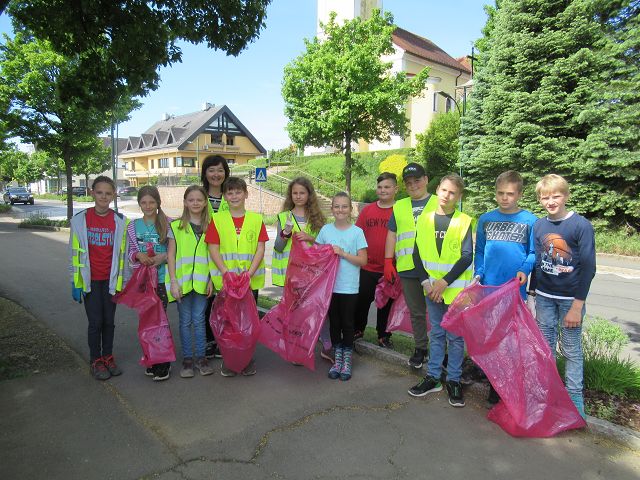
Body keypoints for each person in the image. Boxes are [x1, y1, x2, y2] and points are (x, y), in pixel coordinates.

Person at [533, 174, 595, 418]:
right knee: (546, 349)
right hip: (544, 298)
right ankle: (548, 394)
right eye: (545, 197)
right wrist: (532, 295)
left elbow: (589, 268)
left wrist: (577, 306)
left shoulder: (581, 226)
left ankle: (574, 399)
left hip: (570, 300)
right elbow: (538, 264)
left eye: (556, 196)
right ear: (539, 199)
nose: (551, 201)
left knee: (571, 350)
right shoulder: (539, 226)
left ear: (566, 196)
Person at [410, 174, 473, 408]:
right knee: (436, 334)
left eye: (452, 193)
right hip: (431, 290)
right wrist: (426, 283)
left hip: (453, 290)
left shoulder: (463, 221)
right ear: (437, 190)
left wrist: (444, 282)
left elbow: (467, 256)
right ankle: (434, 377)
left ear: (459, 196)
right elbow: (417, 255)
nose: (447, 196)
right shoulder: (424, 219)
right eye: (444, 190)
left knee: (455, 338)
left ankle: (454, 380)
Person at [474, 170, 537, 403]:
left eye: (510, 194)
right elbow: (480, 250)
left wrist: (524, 270)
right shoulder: (486, 219)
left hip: (514, 289)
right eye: (500, 193)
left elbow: (533, 253)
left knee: (510, 337)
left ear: (519, 194)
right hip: (490, 287)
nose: (504, 198)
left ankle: (503, 385)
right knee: (490, 333)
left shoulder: (530, 221)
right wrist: (478, 273)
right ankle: (491, 377)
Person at [206, 176, 268, 377]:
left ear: (246, 194)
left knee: (248, 323)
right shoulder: (218, 219)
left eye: (238, 192)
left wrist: (249, 274)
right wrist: (225, 272)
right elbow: (213, 248)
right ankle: (230, 360)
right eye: (230, 193)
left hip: (249, 282)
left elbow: (260, 248)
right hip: (227, 283)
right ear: (224, 196)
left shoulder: (256, 220)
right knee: (229, 323)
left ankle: (247, 359)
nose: (234, 196)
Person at [69, 175, 128, 381]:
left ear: (113, 195)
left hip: (110, 281)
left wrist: (124, 282)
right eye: (100, 192)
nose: (103, 196)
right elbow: (73, 254)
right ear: (92, 192)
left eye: (108, 193)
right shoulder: (79, 220)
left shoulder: (120, 221)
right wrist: (74, 282)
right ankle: (96, 360)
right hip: (90, 280)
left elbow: (124, 255)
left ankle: (108, 356)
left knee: (109, 322)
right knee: (95, 322)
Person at [383, 163, 438, 369]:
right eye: (408, 183)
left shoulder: (438, 202)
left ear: (425, 179)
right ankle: (421, 348)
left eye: (417, 180)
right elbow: (392, 234)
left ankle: (442, 349)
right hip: (408, 268)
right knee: (416, 312)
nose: (413, 185)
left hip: (435, 268)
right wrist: (389, 261)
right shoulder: (400, 206)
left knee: (439, 312)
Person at [272, 177, 332, 362]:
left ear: (309, 195)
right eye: (295, 193)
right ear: (291, 195)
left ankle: (327, 346)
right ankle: (297, 348)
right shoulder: (284, 217)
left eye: (302, 193)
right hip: (293, 276)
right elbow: (278, 247)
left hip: (314, 274)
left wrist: (311, 238)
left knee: (320, 309)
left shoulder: (318, 219)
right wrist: (285, 233)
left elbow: (326, 246)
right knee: (296, 313)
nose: (298, 196)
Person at [315, 192, 368, 381]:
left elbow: (363, 260)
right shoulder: (326, 231)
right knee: (334, 323)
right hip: (330, 288)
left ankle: (347, 359)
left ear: (350, 209)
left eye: (344, 206)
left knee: (347, 323)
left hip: (349, 287)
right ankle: (337, 359)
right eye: (337, 206)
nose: (340, 210)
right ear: (332, 209)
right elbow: (316, 255)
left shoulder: (357, 232)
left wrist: (343, 253)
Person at [167, 185, 215, 378]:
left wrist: (211, 279)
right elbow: (171, 256)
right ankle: (188, 359)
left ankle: (201, 358)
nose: (195, 203)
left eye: (199, 200)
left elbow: (213, 255)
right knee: (185, 321)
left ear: (205, 203)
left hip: (203, 283)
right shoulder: (176, 227)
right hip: (182, 284)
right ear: (185, 203)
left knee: (199, 320)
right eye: (191, 200)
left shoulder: (211, 226)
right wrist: (173, 282)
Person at [126, 185, 172, 381]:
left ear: (158, 203)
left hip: (161, 281)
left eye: (151, 202)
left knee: (159, 322)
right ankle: (151, 358)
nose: (148, 206)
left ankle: (163, 363)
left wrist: (164, 257)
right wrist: (138, 254)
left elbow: (175, 252)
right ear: (139, 204)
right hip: (142, 283)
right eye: (143, 202)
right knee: (145, 322)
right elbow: (128, 253)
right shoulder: (132, 226)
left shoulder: (169, 224)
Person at [354, 172, 399, 348]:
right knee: (362, 301)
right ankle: (358, 329)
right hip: (367, 267)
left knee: (386, 305)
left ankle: (384, 335)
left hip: (390, 268)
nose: (383, 190)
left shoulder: (400, 211)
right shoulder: (368, 210)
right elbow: (357, 235)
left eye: (387, 187)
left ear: (396, 188)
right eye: (380, 187)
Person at [201, 155, 230, 360]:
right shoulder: (198, 197)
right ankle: (210, 341)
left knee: (226, 305)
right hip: (202, 257)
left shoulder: (231, 196)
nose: (216, 174)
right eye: (211, 170)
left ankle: (224, 341)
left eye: (220, 170)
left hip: (227, 258)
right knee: (207, 303)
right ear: (204, 173)